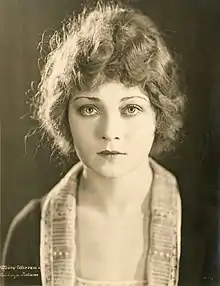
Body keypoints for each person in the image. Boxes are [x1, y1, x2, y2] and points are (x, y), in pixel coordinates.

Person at [2, 1, 185, 285]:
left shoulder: (208, 226)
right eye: (89, 109)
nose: (110, 131)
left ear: (157, 116)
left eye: (131, 109)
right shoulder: (29, 230)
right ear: (65, 117)